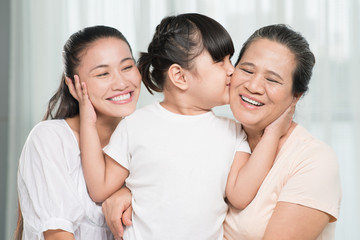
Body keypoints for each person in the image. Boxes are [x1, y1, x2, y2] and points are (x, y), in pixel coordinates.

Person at [76, 14, 294, 240]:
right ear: (179, 76)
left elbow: (240, 195)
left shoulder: (233, 131)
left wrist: (273, 131)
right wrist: (88, 122)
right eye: (220, 61)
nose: (232, 70)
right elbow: (100, 187)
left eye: (231, 59)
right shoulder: (135, 125)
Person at [16, 25, 141, 240]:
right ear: (72, 84)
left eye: (127, 67)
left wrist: (128, 192)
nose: (121, 83)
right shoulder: (50, 139)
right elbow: (57, 235)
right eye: (103, 73)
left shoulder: (142, 139)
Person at [223, 24, 342, 240]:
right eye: (247, 70)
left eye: (272, 80)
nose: (254, 86)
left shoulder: (314, 160)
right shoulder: (217, 134)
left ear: (295, 96)